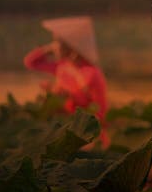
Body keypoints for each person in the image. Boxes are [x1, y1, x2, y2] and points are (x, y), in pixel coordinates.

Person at [24, 16, 110, 148]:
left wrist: (68, 97)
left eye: (57, 42)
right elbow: (31, 62)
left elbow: (100, 113)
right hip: (64, 131)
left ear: (72, 46)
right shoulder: (63, 66)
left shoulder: (91, 73)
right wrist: (48, 48)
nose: (54, 46)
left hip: (87, 138)